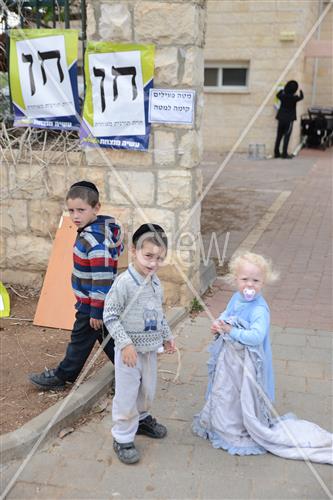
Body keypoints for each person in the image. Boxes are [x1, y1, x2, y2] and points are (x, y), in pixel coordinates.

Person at [192, 251, 332, 464]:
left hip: (250, 365)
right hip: (231, 362)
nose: (250, 284)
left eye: (256, 280)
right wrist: (218, 323)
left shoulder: (260, 309)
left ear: (263, 282)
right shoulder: (236, 298)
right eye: (245, 279)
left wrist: (231, 331)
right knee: (228, 391)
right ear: (235, 279)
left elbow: (256, 336)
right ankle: (226, 420)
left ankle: (244, 422)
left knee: (245, 394)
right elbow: (226, 314)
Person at [29, 181, 123, 390]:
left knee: (81, 340)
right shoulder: (97, 231)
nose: (75, 216)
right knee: (109, 339)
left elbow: (102, 278)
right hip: (96, 302)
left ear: (96, 208)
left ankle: (63, 376)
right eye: (71, 210)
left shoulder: (94, 239)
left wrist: (96, 311)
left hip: (94, 303)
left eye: (81, 210)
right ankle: (131, 372)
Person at [103, 223, 176, 464]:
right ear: (133, 251)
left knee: (147, 390)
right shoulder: (124, 283)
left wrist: (167, 336)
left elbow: (159, 313)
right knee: (126, 394)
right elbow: (110, 316)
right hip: (128, 353)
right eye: (148, 256)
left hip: (149, 350)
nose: (153, 263)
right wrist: (125, 344)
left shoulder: (155, 283)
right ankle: (122, 437)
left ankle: (142, 419)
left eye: (159, 258)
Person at [274, 80, 304, 159]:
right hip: (289, 119)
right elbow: (301, 97)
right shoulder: (294, 98)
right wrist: (300, 90)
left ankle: (276, 153)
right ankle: (284, 154)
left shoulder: (283, 96)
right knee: (286, 136)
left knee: (279, 136)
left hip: (281, 118)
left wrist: (283, 89)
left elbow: (278, 95)